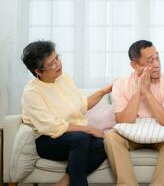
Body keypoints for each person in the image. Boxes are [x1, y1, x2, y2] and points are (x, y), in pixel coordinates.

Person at [21, 41, 112, 186]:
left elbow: (81, 106)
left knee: (105, 143)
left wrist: (103, 91)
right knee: (81, 138)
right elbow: (52, 127)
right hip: (48, 141)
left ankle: (64, 182)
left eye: (57, 58)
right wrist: (89, 129)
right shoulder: (31, 92)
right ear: (38, 71)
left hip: (76, 136)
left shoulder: (64, 78)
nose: (58, 64)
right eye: (51, 63)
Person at [104, 40, 164, 186]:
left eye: (157, 58)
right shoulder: (120, 84)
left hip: (160, 133)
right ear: (134, 65)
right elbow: (123, 121)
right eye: (150, 60)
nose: (157, 64)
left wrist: (148, 92)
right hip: (131, 133)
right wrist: (138, 91)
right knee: (111, 137)